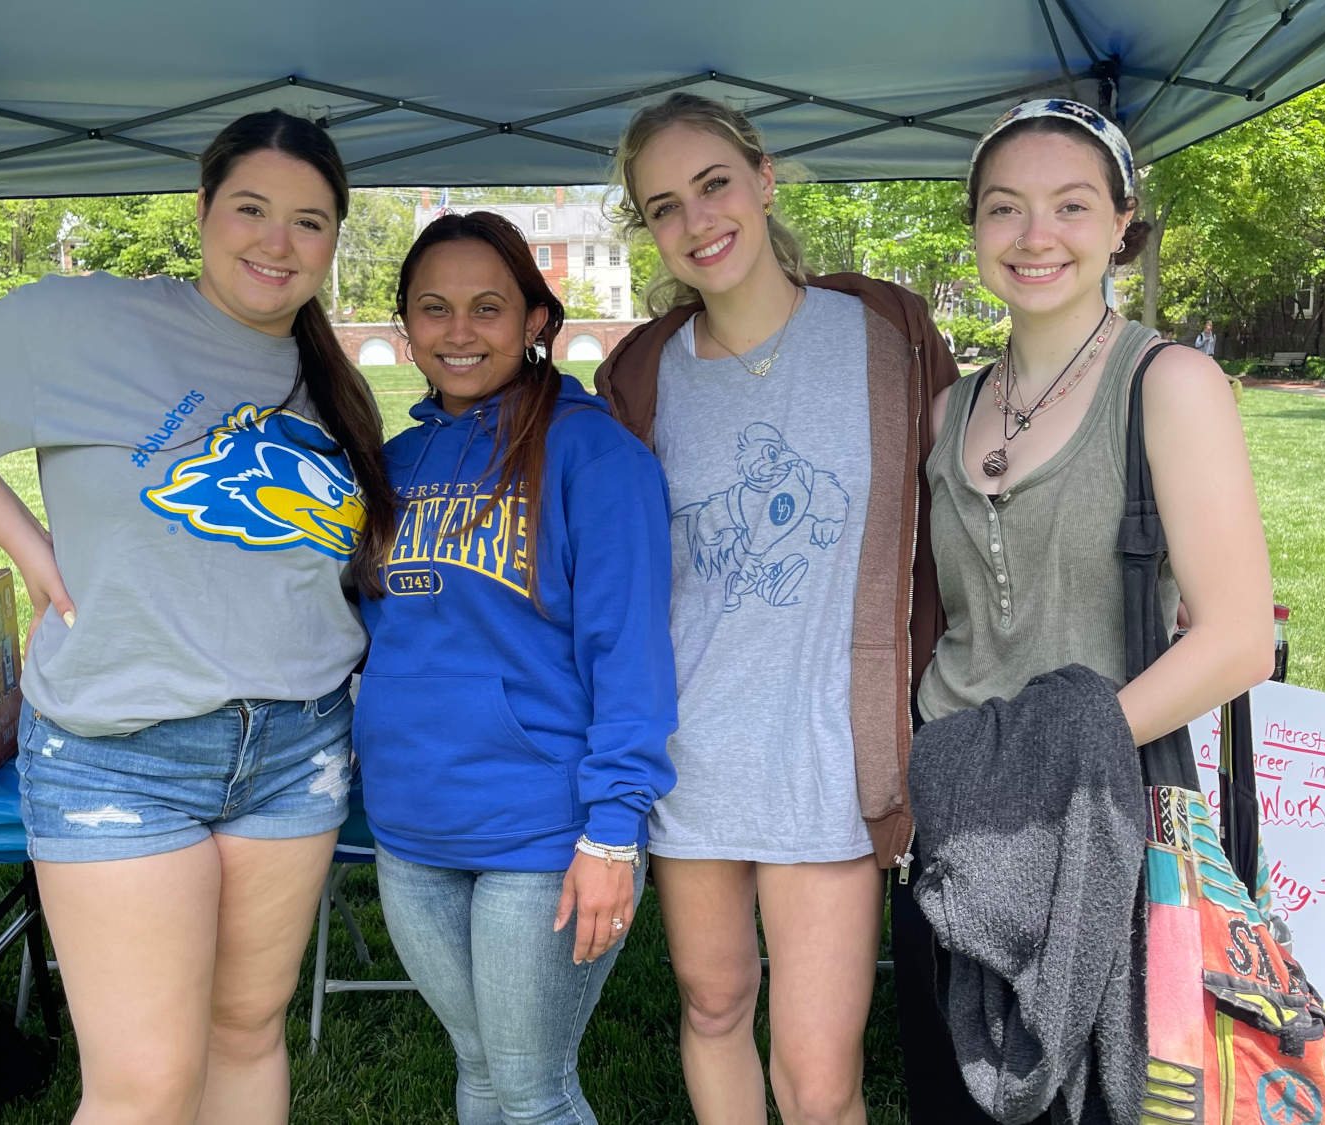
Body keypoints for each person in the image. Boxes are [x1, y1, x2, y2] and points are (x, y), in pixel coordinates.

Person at [0, 109, 397, 1125]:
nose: (278, 242)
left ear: (333, 239)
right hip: (120, 751)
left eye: (310, 222)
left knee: (244, 1035)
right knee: (143, 1088)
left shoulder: (327, 381)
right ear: (201, 210)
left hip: (297, 749)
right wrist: (30, 548)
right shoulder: (86, 323)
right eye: (252, 209)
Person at [893, 97, 1274, 1124]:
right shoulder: (952, 409)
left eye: (1070, 206)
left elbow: (1240, 638)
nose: (1035, 236)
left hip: (1106, 817)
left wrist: (1057, 750)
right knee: (958, 1097)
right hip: (960, 819)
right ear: (974, 230)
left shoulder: (1170, 382)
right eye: (1005, 209)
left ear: (1120, 222)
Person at [596, 93, 958, 1125]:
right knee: (714, 1006)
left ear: (763, 178)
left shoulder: (883, 333)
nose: (697, 219)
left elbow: (972, 495)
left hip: (829, 756)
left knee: (818, 1076)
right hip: (692, 751)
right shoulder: (641, 375)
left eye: (714, 184)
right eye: (663, 205)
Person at [353, 210, 677, 1125]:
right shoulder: (396, 464)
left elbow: (631, 655)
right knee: (482, 1067)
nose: (460, 333)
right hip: (412, 827)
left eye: (488, 308)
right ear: (407, 322)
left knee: (533, 1091)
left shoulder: (595, 455)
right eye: (434, 309)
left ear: (536, 320)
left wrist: (613, 830)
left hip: (543, 832)